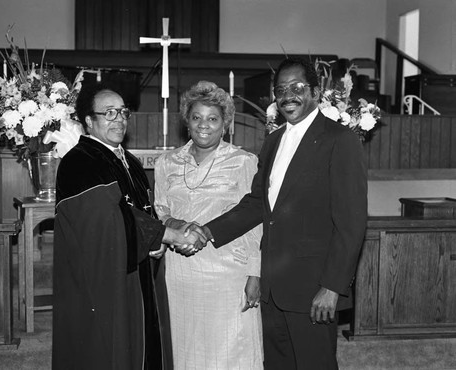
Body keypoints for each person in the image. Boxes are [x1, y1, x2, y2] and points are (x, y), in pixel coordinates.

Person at [197, 57, 368, 369]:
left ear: (316, 92)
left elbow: (351, 224)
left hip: (314, 289)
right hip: (273, 288)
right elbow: (256, 205)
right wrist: (207, 231)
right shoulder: (273, 140)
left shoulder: (339, 140)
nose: (288, 95)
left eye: (297, 88)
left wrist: (332, 287)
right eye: (280, 90)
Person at [52, 84, 205, 369]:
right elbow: (109, 221)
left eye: (123, 112)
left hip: (137, 272)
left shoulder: (131, 163)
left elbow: (143, 213)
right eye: (109, 113)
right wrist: (166, 236)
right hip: (103, 281)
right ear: (88, 120)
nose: (119, 118)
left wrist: (157, 239)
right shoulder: (79, 162)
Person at [153, 81, 264, 369]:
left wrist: (255, 273)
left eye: (213, 118)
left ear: (225, 124)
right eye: (197, 117)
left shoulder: (243, 162)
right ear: (186, 122)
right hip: (181, 270)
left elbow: (255, 222)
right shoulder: (167, 162)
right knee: (185, 345)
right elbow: (160, 209)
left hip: (228, 271)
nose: (204, 125)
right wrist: (175, 222)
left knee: (230, 347)